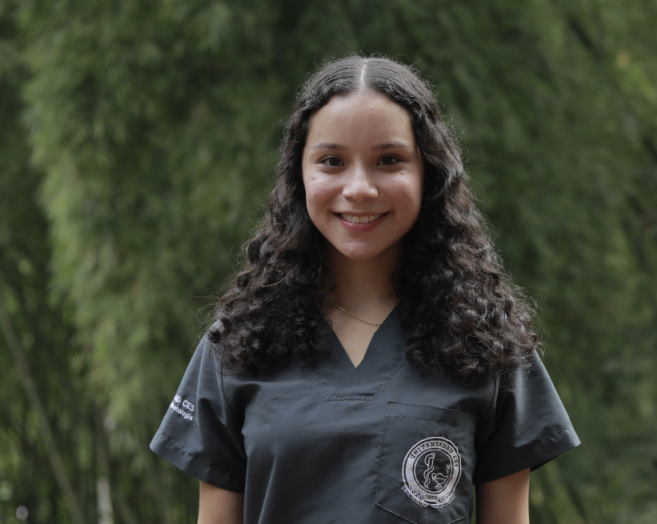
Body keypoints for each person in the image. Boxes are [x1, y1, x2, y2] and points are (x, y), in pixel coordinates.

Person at [150, 55, 579, 524]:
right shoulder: (237, 345)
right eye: (332, 161)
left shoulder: (486, 344)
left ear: (428, 174)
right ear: (298, 175)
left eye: (389, 160)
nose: (359, 188)